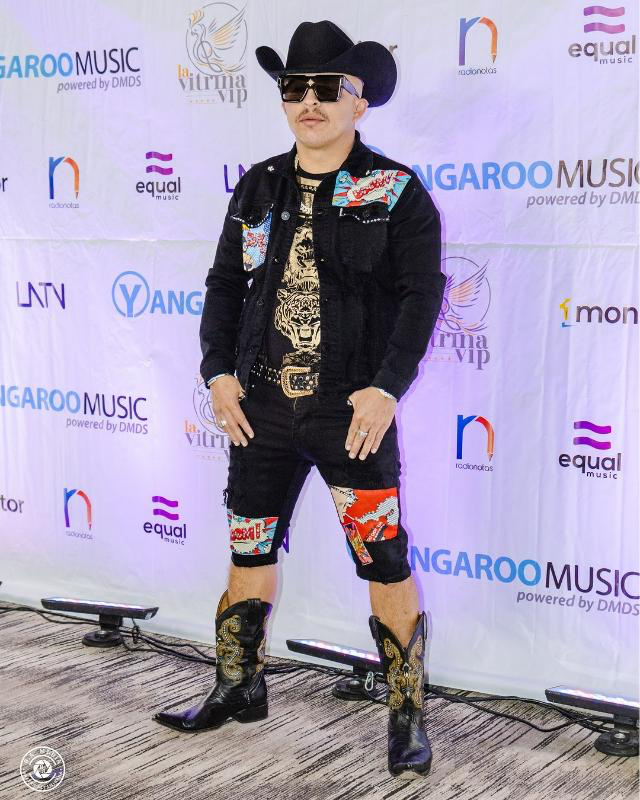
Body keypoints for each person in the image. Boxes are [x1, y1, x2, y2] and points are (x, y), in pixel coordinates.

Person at [153, 19, 446, 778]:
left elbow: (421, 298)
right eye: (295, 88)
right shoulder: (258, 186)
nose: (308, 101)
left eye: (327, 88)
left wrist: (386, 388)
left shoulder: (395, 192)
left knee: (384, 559)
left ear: (359, 102)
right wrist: (217, 372)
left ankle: (406, 713)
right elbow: (224, 285)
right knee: (247, 547)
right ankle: (238, 684)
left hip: (351, 415)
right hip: (260, 411)